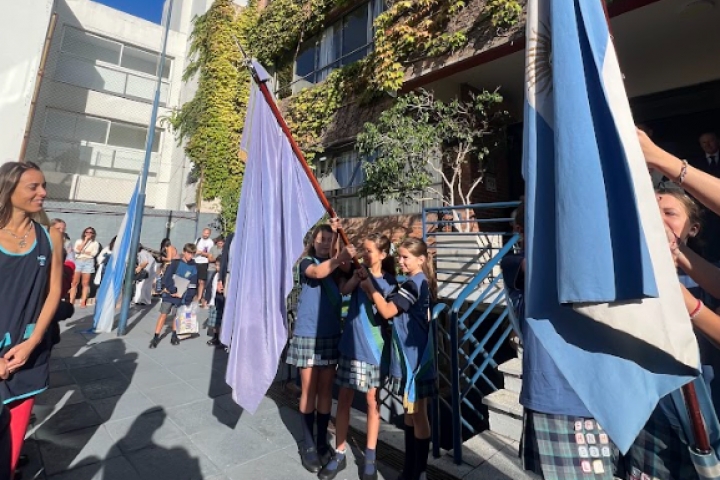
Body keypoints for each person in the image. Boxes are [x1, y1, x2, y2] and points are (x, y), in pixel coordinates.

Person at [0, 162, 63, 479]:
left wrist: (33, 342)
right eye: (33, 187)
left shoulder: (51, 237)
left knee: (10, 446)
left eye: (44, 186)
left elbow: (54, 293)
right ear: (9, 189)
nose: (43, 192)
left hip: (26, 355)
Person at [319, 233, 397, 480]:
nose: (364, 255)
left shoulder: (389, 281)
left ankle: (370, 456)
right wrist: (355, 276)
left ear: (383, 254)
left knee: (373, 402)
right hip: (350, 347)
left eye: (369, 251)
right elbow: (344, 289)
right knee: (344, 399)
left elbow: (385, 310)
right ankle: (340, 452)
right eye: (363, 250)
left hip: (373, 350)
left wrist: (369, 285)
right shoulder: (358, 271)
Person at [359, 237, 436, 480]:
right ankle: (409, 470)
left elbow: (387, 311)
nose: (400, 261)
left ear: (420, 260)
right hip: (412, 358)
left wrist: (370, 289)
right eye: (400, 256)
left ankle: (418, 472)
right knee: (411, 414)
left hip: (414, 362)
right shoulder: (416, 282)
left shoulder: (413, 285)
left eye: (405, 257)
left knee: (418, 415)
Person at [286, 223, 355, 473]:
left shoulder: (337, 267)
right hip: (307, 333)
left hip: (330, 333)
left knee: (326, 391)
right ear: (313, 241)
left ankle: (322, 441)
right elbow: (316, 272)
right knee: (309, 390)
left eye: (328, 239)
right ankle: (308, 444)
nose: (325, 243)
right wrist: (339, 257)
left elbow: (346, 276)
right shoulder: (307, 262)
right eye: (321, 239)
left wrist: (339, 241)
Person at [149, 243, 198, 348]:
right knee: (163, 314)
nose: (190, 256)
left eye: (192, 254)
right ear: (184, 252)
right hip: (170, 293)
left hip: (181, 295)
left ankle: (174, 335)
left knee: (177, 315)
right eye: (188, 253)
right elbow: (167, 277)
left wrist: (188, 297)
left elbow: (193, 284)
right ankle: (156, 336)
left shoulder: (194, 267)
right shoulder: (175, 263)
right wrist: (172, 290)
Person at [69, 226, 99, 307]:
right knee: (74, 282)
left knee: (85, 283)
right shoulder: (79, 241)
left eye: (90, 232)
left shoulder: (95, 243)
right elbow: (77, 250)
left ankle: (83, 301)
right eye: (87, 232)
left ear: (93, 234)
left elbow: (93, 254)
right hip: (78, 261)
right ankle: (71, 301)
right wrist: (85, 241)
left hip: (88, 262)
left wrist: (82, 251)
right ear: (84, 233)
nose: (88, 234)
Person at [195, 228, 215, 308]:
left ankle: (199, 297)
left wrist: (201, 253)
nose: (205, 234)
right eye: (205, 233)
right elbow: (193, 249)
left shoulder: (210, 243)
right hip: (195, 261)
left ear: (209, 234)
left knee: (201, 281)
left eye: (207, 233)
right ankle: (195, 295)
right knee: (195, 280)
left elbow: (210, 255)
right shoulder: (198, 240)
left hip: (204, 262)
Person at [205, 236, 224, 305]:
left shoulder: (225, 249)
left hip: (220, 269)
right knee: (209, 284)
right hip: (212, 268)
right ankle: (207, 299)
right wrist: (217, 259)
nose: (220, 245)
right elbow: (209, 259)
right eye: (219, 243)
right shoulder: (213, 248)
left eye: (221, 243)